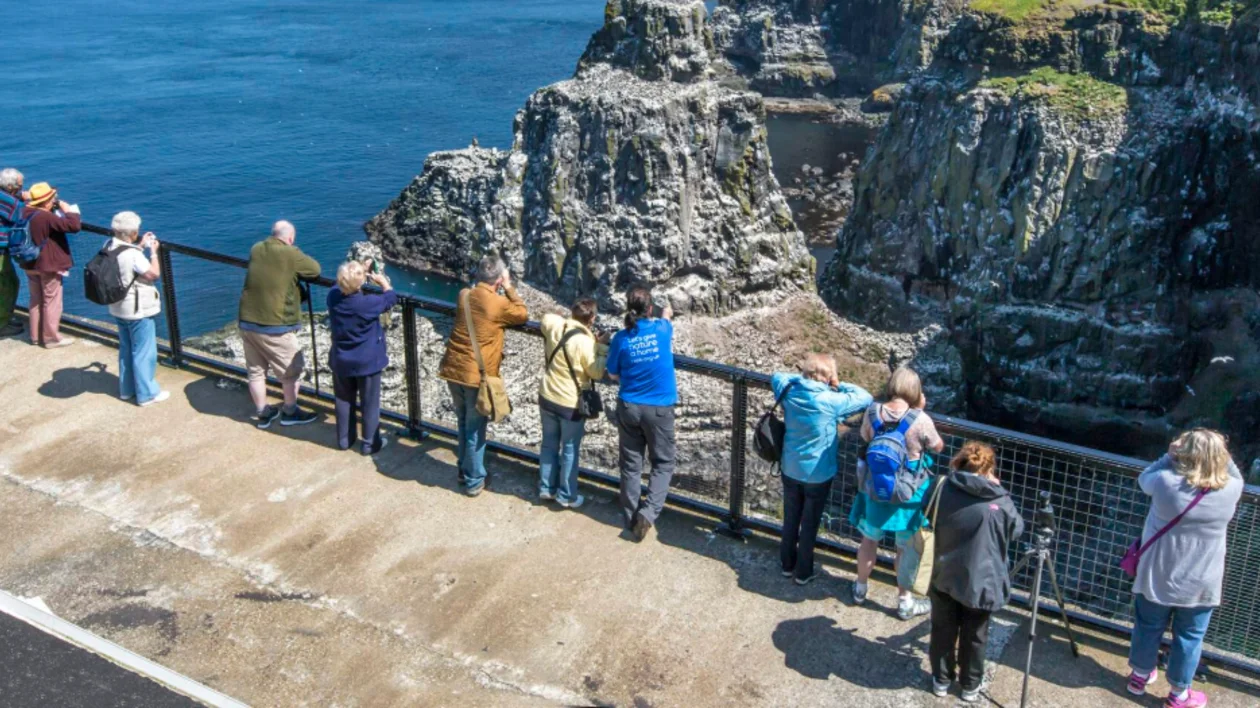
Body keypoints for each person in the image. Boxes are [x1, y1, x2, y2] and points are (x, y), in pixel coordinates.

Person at [1126, 429, 1242, 708]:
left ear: (1184, 453)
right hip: (1202, 580)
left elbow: (1144, 478)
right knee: (1190, 637)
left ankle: (1139, 677)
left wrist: (1170, 454)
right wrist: (1219, 453)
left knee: (1148, 625)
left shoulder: (1165, 482)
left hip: (1157, 573)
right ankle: (1179, 695)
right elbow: (1236, 473)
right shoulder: (1231, 490)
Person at [928, 442, 1024, 703]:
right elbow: (1016, 530)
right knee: (975, 635)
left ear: (960, 461)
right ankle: (970, 685)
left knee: (942, 629)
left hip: (943, 571)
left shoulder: (942, 486)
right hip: (981, 579)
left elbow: (927, 511)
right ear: (990, 468)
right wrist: (998, 488)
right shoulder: (999, 499)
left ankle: (941, 679)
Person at [849, 365, 945, 619]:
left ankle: (860, 589)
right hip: (908, 497)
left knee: (869, 540)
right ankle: (904, 601)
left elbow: (865, 438)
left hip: (876, 489)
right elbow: (938, 446)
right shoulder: (920, 419)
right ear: (915, 391)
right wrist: (920, 412)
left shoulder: (873, 412)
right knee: (904, 549)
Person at [772, 354, 873, 584]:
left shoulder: (789, 389)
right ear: (827, 378)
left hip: (790, 467)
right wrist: (837, 382)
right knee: (809, 523)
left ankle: (787, 564)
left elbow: (777, 375)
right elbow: (865, 397)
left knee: (790, 518)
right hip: (819, 474)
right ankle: (803, 572)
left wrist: (803, 377)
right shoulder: (831, 401)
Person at [438, 255, 528, 496]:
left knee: (463, 421)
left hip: (452, 368)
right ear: (498, 280)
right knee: (475, 428)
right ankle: (474, 479)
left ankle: (463, 469)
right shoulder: (497, 303)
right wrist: (508, 286)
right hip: (475, 376)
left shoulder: (463, 295)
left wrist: (495, 281)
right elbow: (522, 314)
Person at [607, 284, 677, 542]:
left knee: (631, 464)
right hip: (659, 409)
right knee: (663, 462)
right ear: (650, 308)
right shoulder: (661, 329)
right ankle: (647, 514)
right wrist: (665, 311)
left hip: (629, 406)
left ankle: (631, 517)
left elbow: (613, 374)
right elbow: (667, 319)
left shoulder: (621, 339)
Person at [238, 220, 322, 429]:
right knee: (291, 371)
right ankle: (290, 411)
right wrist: (294, 251)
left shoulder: (256, 248)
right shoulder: (291, 254)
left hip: (247, 320)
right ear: (290, 238)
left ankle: (263, 413)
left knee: (256, 372)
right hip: (275, 324)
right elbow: (314, 270)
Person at [537, 299, 609, 509]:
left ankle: (546, 487)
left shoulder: (555, 326)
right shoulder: (585, 342)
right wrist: (601, 347)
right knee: (569, 448)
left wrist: (567, 319)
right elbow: (595, 372)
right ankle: (566, 495)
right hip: (570, 403)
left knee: (549, 443)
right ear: (592, 319)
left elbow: (546, 318)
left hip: (547, 394)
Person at [327, 260, 397, 455]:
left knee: (343, 399)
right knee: (369, 403)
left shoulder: (333, 297)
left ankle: (343, 440)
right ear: (359, 284)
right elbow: (390, 299)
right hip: (367, 362)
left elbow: (337, 285)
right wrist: (384, 284)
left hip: (341, 358)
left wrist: (359, 271)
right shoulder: (367, 304)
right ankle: (369, 444)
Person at [105, 212, 169, 407]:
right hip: (137, 308)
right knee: (144, 351)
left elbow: (127, 262)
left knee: (126, 348)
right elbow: (153, 274)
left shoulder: (109, 245)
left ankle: (127, 390)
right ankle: (147, 394)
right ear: (133, 232)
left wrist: (139, 246)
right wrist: (153, 252)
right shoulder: (132, 255)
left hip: (118, 306)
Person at [22, 182, 81, 348]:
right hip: (47, 264)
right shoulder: (45, 216)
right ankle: (51, 338)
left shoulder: (25, 211)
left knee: (35, 299)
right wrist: (69, 211)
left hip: (29, 262)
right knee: (52, 301)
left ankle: (35, 336)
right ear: (47, 201)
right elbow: (73, 226)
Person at [0, 168, 26, 338]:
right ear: (11, 187)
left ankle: (6, 318)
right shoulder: (10, 201)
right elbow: (20, 215)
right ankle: (2, 324)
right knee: (8, 284)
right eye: (19, 186)